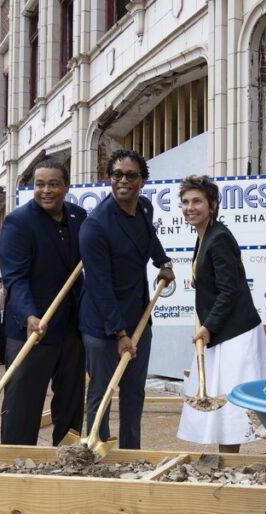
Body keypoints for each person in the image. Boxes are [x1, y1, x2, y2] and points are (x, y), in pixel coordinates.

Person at [79, 149, 174, 449]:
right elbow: (99, 287)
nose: (123, 180)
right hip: (103, 324)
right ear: (109, 178)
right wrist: (120, 334)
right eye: (117, 174)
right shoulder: (95, 226)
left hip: (138, 316)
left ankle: (131, 453)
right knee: (102, 392)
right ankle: (98, 450)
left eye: (131, 175)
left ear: (142, 181)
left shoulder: (144, 208)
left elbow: (149, 237)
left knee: (134, 392)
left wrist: (163, 262)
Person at [175, 175, 266, 453]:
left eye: (197, 201)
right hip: (221, 333)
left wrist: (207, 327)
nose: (190, 208)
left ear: (213, 205)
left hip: (235, 334)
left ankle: (232, 464)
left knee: (231, 408)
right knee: (222, 408)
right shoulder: (204, 235)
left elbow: (229, 291)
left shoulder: (219, 238)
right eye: (185, 202)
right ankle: (227, 462)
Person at [0, 159, 87, 445]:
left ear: (66, 187)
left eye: (53, 184)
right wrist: (29, 315)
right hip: (33, 328)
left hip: (71, 327)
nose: (46, 190)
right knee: (23, 405)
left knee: (71, 402)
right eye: (39, 184)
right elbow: (15, 278)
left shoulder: (78, 217)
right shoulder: (19, 222)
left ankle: (68, 456)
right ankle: (17, 459)